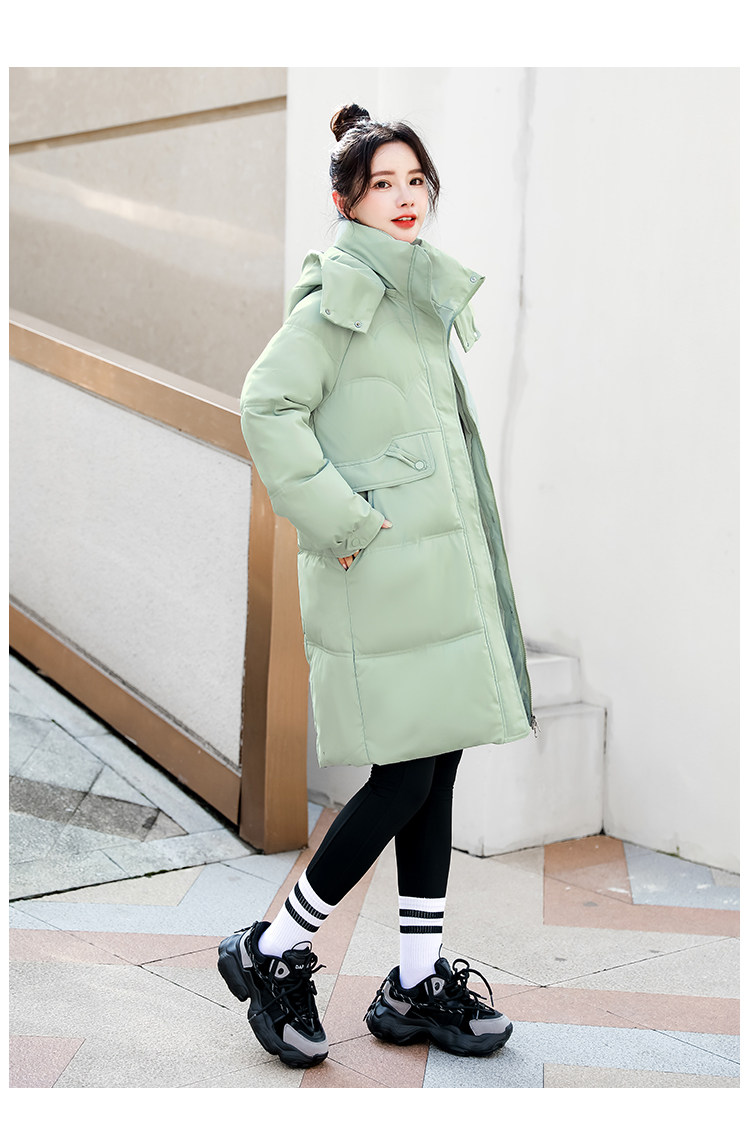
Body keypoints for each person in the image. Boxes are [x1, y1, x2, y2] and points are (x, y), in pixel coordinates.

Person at [217, 103, 536, 1070]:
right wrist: (345, 520)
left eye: (415, 180)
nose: (405, 197)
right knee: (403, 775)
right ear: (344, 199)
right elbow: (266, 405)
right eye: (383, 183)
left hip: (431, 572)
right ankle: (273, 947)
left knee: (437, 762)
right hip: (381, 574)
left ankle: (416, 980)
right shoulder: (343, 296)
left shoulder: (413, 290)